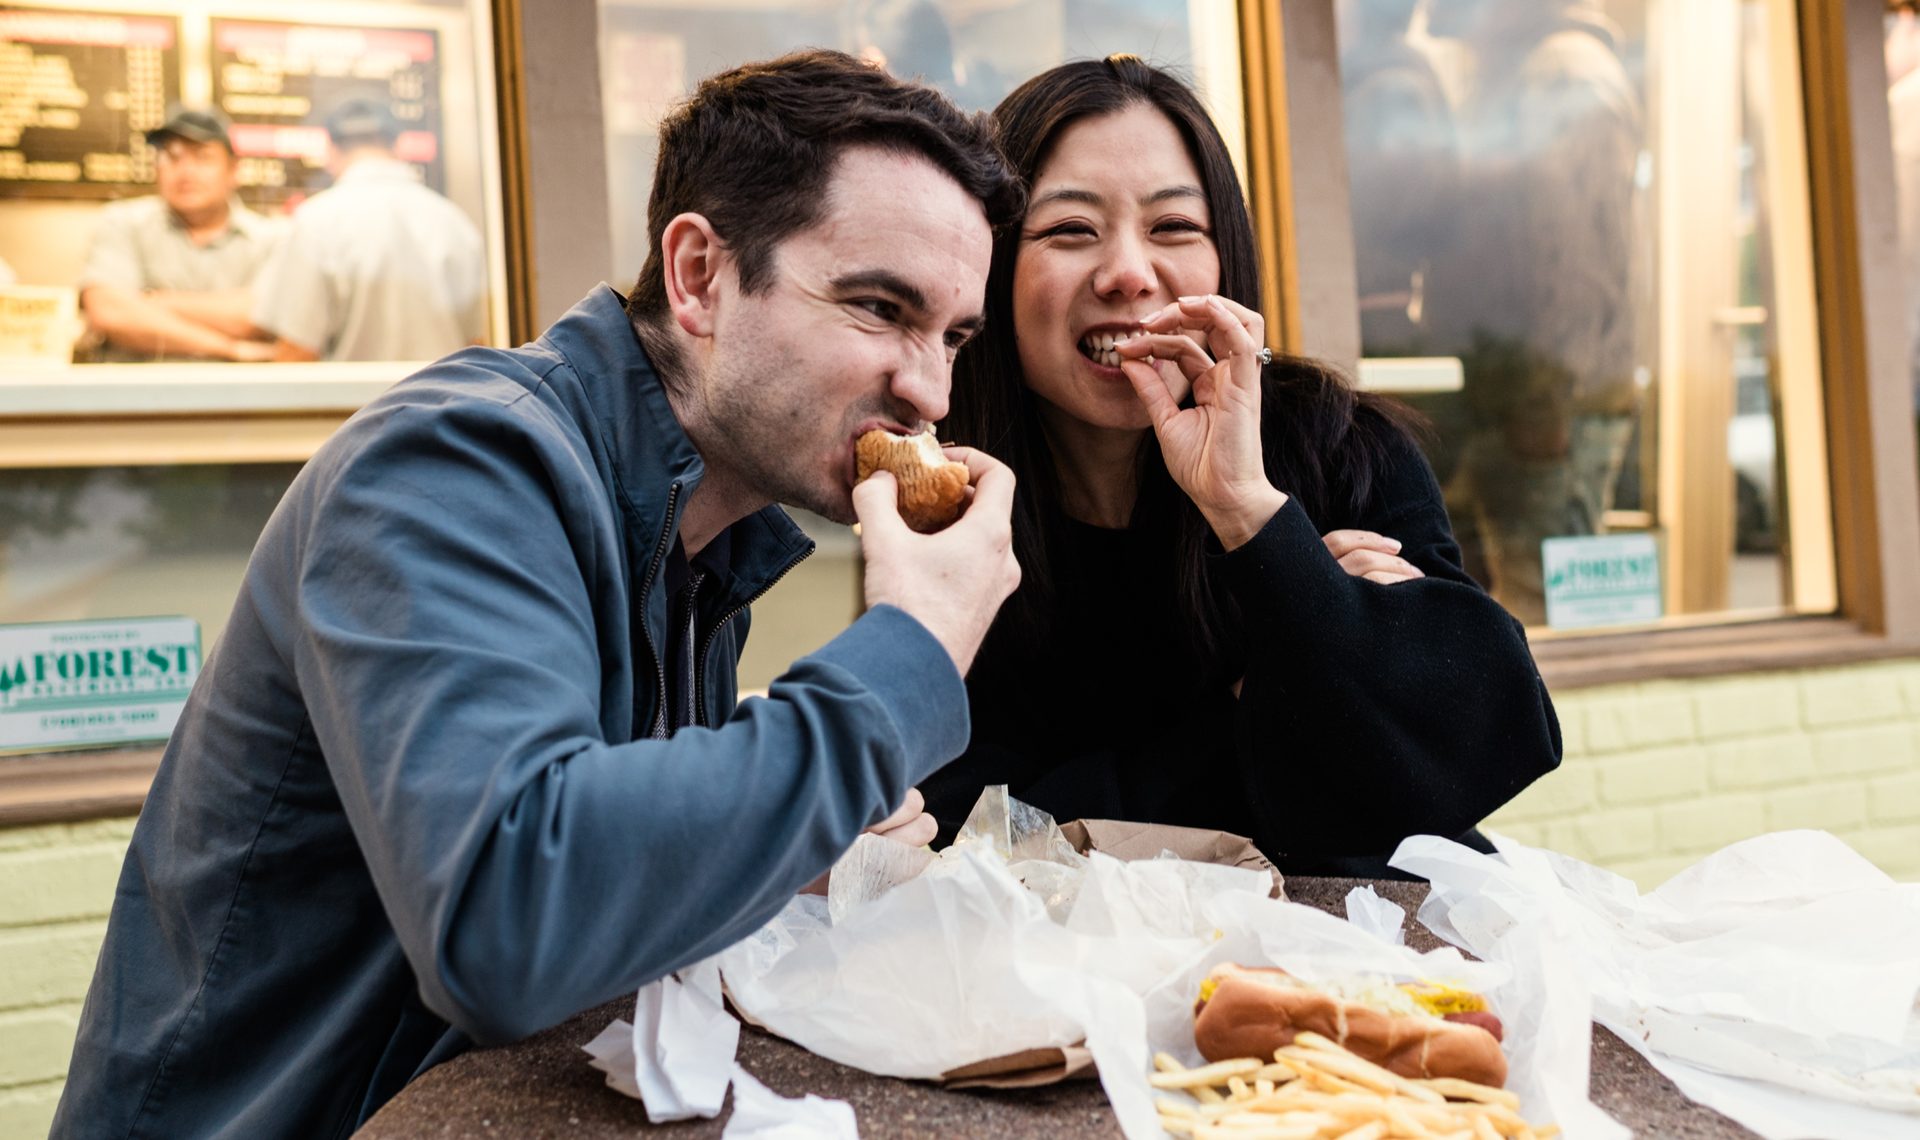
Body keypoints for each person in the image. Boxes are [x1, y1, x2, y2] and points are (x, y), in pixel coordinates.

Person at [53, 50, 1022, 1137]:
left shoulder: (704, 537)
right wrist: (908, 656)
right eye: (878, 307)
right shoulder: (456, 465)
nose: (929, 387)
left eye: (952, 335)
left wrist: (789, 836)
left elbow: (605, 881)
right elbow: (515, 923)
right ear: (699, 274)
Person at [920, 55, 1561, 875]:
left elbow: (1483, 749)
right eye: (1071, 230)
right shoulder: (952, 507)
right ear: (995, 266)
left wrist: (1254, 517)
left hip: (1362, 971)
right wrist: (1272, 706)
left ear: (1226, 259)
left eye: (1174, 228)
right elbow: (966, 833)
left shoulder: (1340, 449)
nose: (1127, 273)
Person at [1419, 0, 1647, 623]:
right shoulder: (1529, 72)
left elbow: (1574, 260)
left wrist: (1544, 403)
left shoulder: (1564, 74)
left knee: (1553, 624)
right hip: (1523, 400)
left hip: (1547, 412)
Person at [251, 97, 488, 361]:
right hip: (447, 399)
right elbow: (475, 345)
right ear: (397, 147)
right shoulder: (455, 223)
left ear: (330, 152)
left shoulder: (316, 221)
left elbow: (297, 350)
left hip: (357, 402)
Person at [77, 105, 282, 362]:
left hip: (237, 399)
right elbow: (110, 312)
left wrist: (150, 302)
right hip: (136, 398)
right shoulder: (121, 223)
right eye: (172, 157)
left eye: (202, 157)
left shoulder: (273, 238)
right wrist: (229, 348)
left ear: (233, 170)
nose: (186, 172)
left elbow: (260, 316)